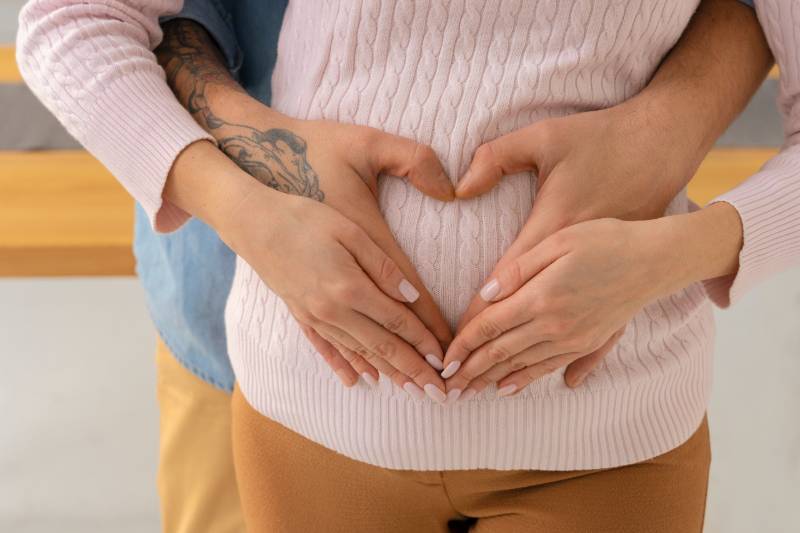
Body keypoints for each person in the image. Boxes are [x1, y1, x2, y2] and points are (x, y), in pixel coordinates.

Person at [13, 0, 793, 531]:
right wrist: (254, 215)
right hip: (307, 409)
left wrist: (681, 253)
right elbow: (72, 21)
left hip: (609, 435)